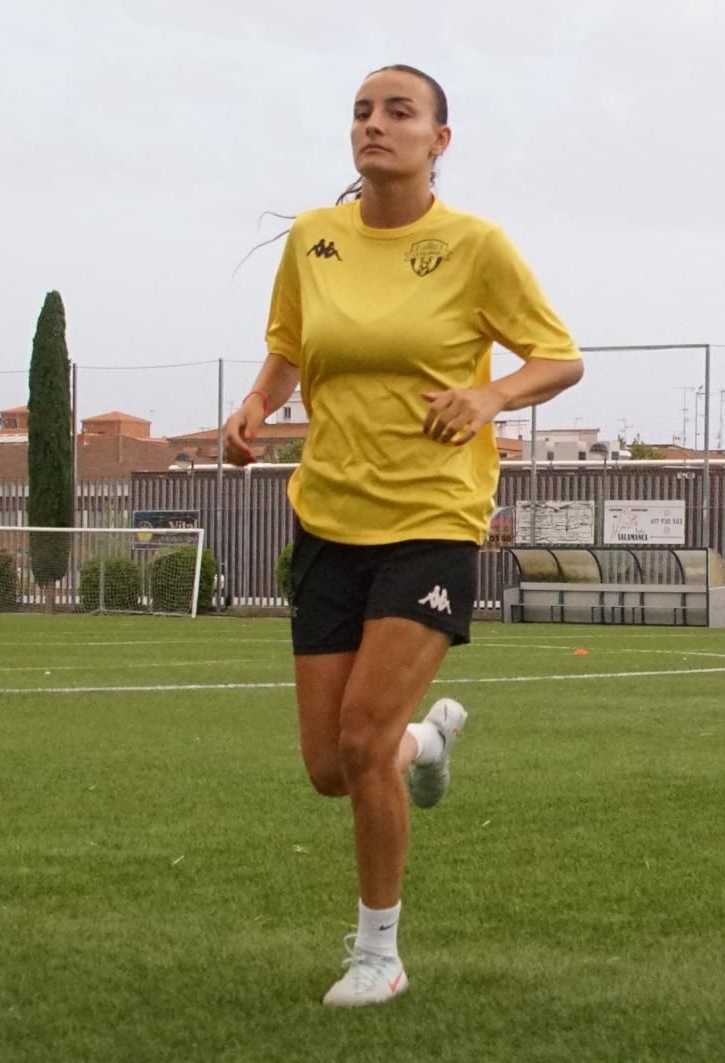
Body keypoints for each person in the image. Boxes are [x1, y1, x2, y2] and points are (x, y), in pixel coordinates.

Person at [221, 63, 583, 1007]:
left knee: (360, 731)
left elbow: (559, 357)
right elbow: (292, 347)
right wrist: (256, 404)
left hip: (432, 519)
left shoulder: (475, 246)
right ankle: (427, 743)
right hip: (328, 516)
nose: (375, 125)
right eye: (362, 111)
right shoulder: (314, 240)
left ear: (439, 141)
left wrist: (490, 393)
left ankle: (379, 952)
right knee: (330, 767)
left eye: (398, 112)